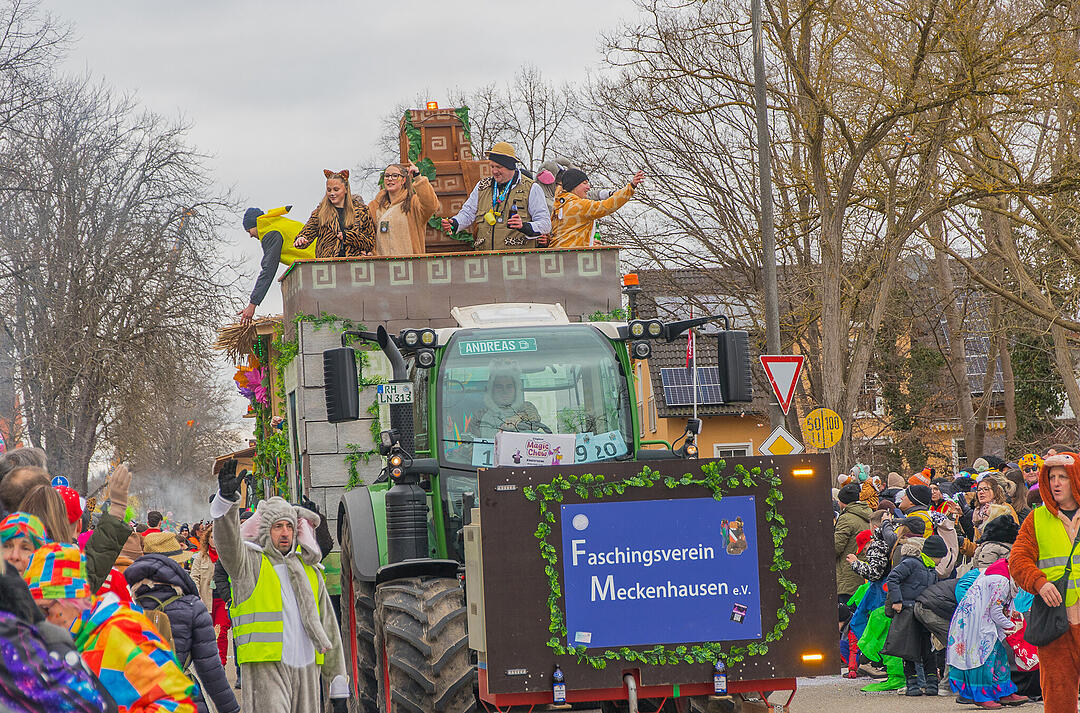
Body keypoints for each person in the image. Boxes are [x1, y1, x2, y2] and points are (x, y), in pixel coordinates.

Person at [211, 460, 349, 713]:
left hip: (307, 668)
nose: (284, 532)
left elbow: (330, 629)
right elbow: (227, 544)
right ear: (266, 530)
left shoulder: (310, 571)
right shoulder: (248, 564)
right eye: (277, 527)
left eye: (289, 526)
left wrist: (337, 686)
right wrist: (227, 502)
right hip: (266, 668)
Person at [23, 542, 198, 713]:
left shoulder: (123, 631)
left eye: (45, 609)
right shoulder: (63, 639)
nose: (40, 621)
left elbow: (178, 704)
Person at [125, 549, 241, 713]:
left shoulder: (125, 608)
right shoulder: (192, 606)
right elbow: (210, 669)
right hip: (182, 697)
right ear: (174, 567)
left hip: (137, 699)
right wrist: (230, 709)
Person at [1009, 451, 1080, 713]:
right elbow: (1017, 561)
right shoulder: (1036, 519)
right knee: (1058, 698)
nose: (1056, 483)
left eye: (1064, 476)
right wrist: (1039, 582)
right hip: (1055, 624)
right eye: (1052, 477)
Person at [947, 559, 1029, 708]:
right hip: (977, 623)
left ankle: (1003, 691)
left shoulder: (1004, 576)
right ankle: (981, 694)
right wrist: (1012, 626)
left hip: (983, 621)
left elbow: (997, 605)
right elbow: (995, 611)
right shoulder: (1002, 581)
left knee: (998, 655)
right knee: (983, 657)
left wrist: (1011, 614)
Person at [441, 142, 551, 250]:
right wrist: (455, 223)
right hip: (486, 258)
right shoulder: (482, 186)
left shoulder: (531, 188)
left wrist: (524, 226)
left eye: (499, 167)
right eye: (492, 166)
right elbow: (468, 213)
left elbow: (545, 224)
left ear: (510, 166)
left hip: (517, 260)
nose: (494, 171)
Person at [886, 534, 947, 696]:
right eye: (940, 557)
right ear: (933, 554)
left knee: (928, 650)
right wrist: (897, 600)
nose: (941, 561)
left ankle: (931, 682)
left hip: (923, 613)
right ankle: (912, 683)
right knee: (909, 649)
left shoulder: (931, 570)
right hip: (907, 611)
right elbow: (893, 578)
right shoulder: (911, 563)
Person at [236, 205, 318, 325]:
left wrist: (252, 304)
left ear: (255, 224)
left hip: (317, 264)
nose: (250, 235)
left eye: (249, 231)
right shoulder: (276, 223)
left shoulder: (270, 233)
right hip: (320, 259)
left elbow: (268, 270)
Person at [548, 168, 644, 248]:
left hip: (557, 257)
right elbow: (607, 206)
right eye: (585, 183)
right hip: (572, 260)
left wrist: (589, 243)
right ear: (574, 185)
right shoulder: (578, 206)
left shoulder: (559, 205)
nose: (588, 187)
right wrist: (631, 187)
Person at [293, 169, 376, 259]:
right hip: (327, 266)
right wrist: (301, 239)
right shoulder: (320, 212)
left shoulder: (362, 211)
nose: (332, 193)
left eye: (336, 190)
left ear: (346, 189)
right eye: (329, 190)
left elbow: (370, 242)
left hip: (353, 265)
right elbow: (307, 232)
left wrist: (348, 236)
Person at [367, 162, 440, 256]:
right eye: (387, 176)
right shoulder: (374, 206)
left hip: (410, 266)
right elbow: (367, 232)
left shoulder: (413, 203)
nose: (390, 179)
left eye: (395, 176)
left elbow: (431, 206)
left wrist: (418, 178)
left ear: (403, 180)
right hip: (382, 266)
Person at [469, 362, 543, 440]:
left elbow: (535, 422)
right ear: (492, 390)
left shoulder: (526, 407)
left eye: (509, 386)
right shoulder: (480, 415)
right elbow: (473, 443)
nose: (504, 391)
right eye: (499, 387)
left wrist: (520, 417)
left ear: (516, 390)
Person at [189, 523, 216, 614]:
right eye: (212, 537)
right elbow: (194, 577)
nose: (214, 540)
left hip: (222, 600)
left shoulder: (226, 556)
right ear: (207, 539)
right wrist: (198, 596)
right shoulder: (200, 556)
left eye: (216, 537)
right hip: (205, 599)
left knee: (222, 627)